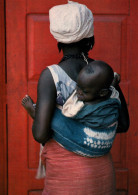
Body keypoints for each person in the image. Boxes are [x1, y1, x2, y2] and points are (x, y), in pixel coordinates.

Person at [22, 1, 129, 194]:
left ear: (58, 39)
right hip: (102, 172)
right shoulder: (104, 75)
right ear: (90, 38)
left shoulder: (51, 76)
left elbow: (40, 134)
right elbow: (123, 125)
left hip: (67, 176)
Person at [22, 60, 121, 157]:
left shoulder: (86, 108)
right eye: (78, 87)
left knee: (55, 118)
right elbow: (123, 123)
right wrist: (114, 82)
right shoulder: (112, 94)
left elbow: (68, 113)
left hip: (91, 143)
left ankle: (35, 113)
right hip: (105, 148)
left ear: (102, 93)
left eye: (85, 91)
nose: (79, 92)